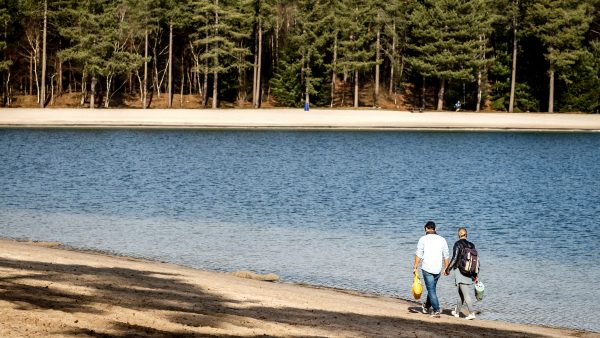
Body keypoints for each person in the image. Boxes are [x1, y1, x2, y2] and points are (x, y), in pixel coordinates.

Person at [413, 221, 450, 318]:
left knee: (431, 290)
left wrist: (415, 266)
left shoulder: (423, 239)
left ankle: (436, 310)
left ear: (426, 229)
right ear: (435, 228)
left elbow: (419, 254)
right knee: (432, 289)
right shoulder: (442, 240)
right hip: (438, 268)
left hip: (427, 268)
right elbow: (446, 255)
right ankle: (426, 306)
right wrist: (446, 268)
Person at [444, 227, 478, 320]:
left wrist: (447, 269)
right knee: (460, 293)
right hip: (469, 271)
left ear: (459, 235)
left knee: (465, 294)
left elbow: (455, 258)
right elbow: (475, 261)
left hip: (460, 271)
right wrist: (475, 275)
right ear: (466, 235)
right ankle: (457, 312)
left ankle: (471, 313)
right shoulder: (471, 245)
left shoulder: (457, 244)